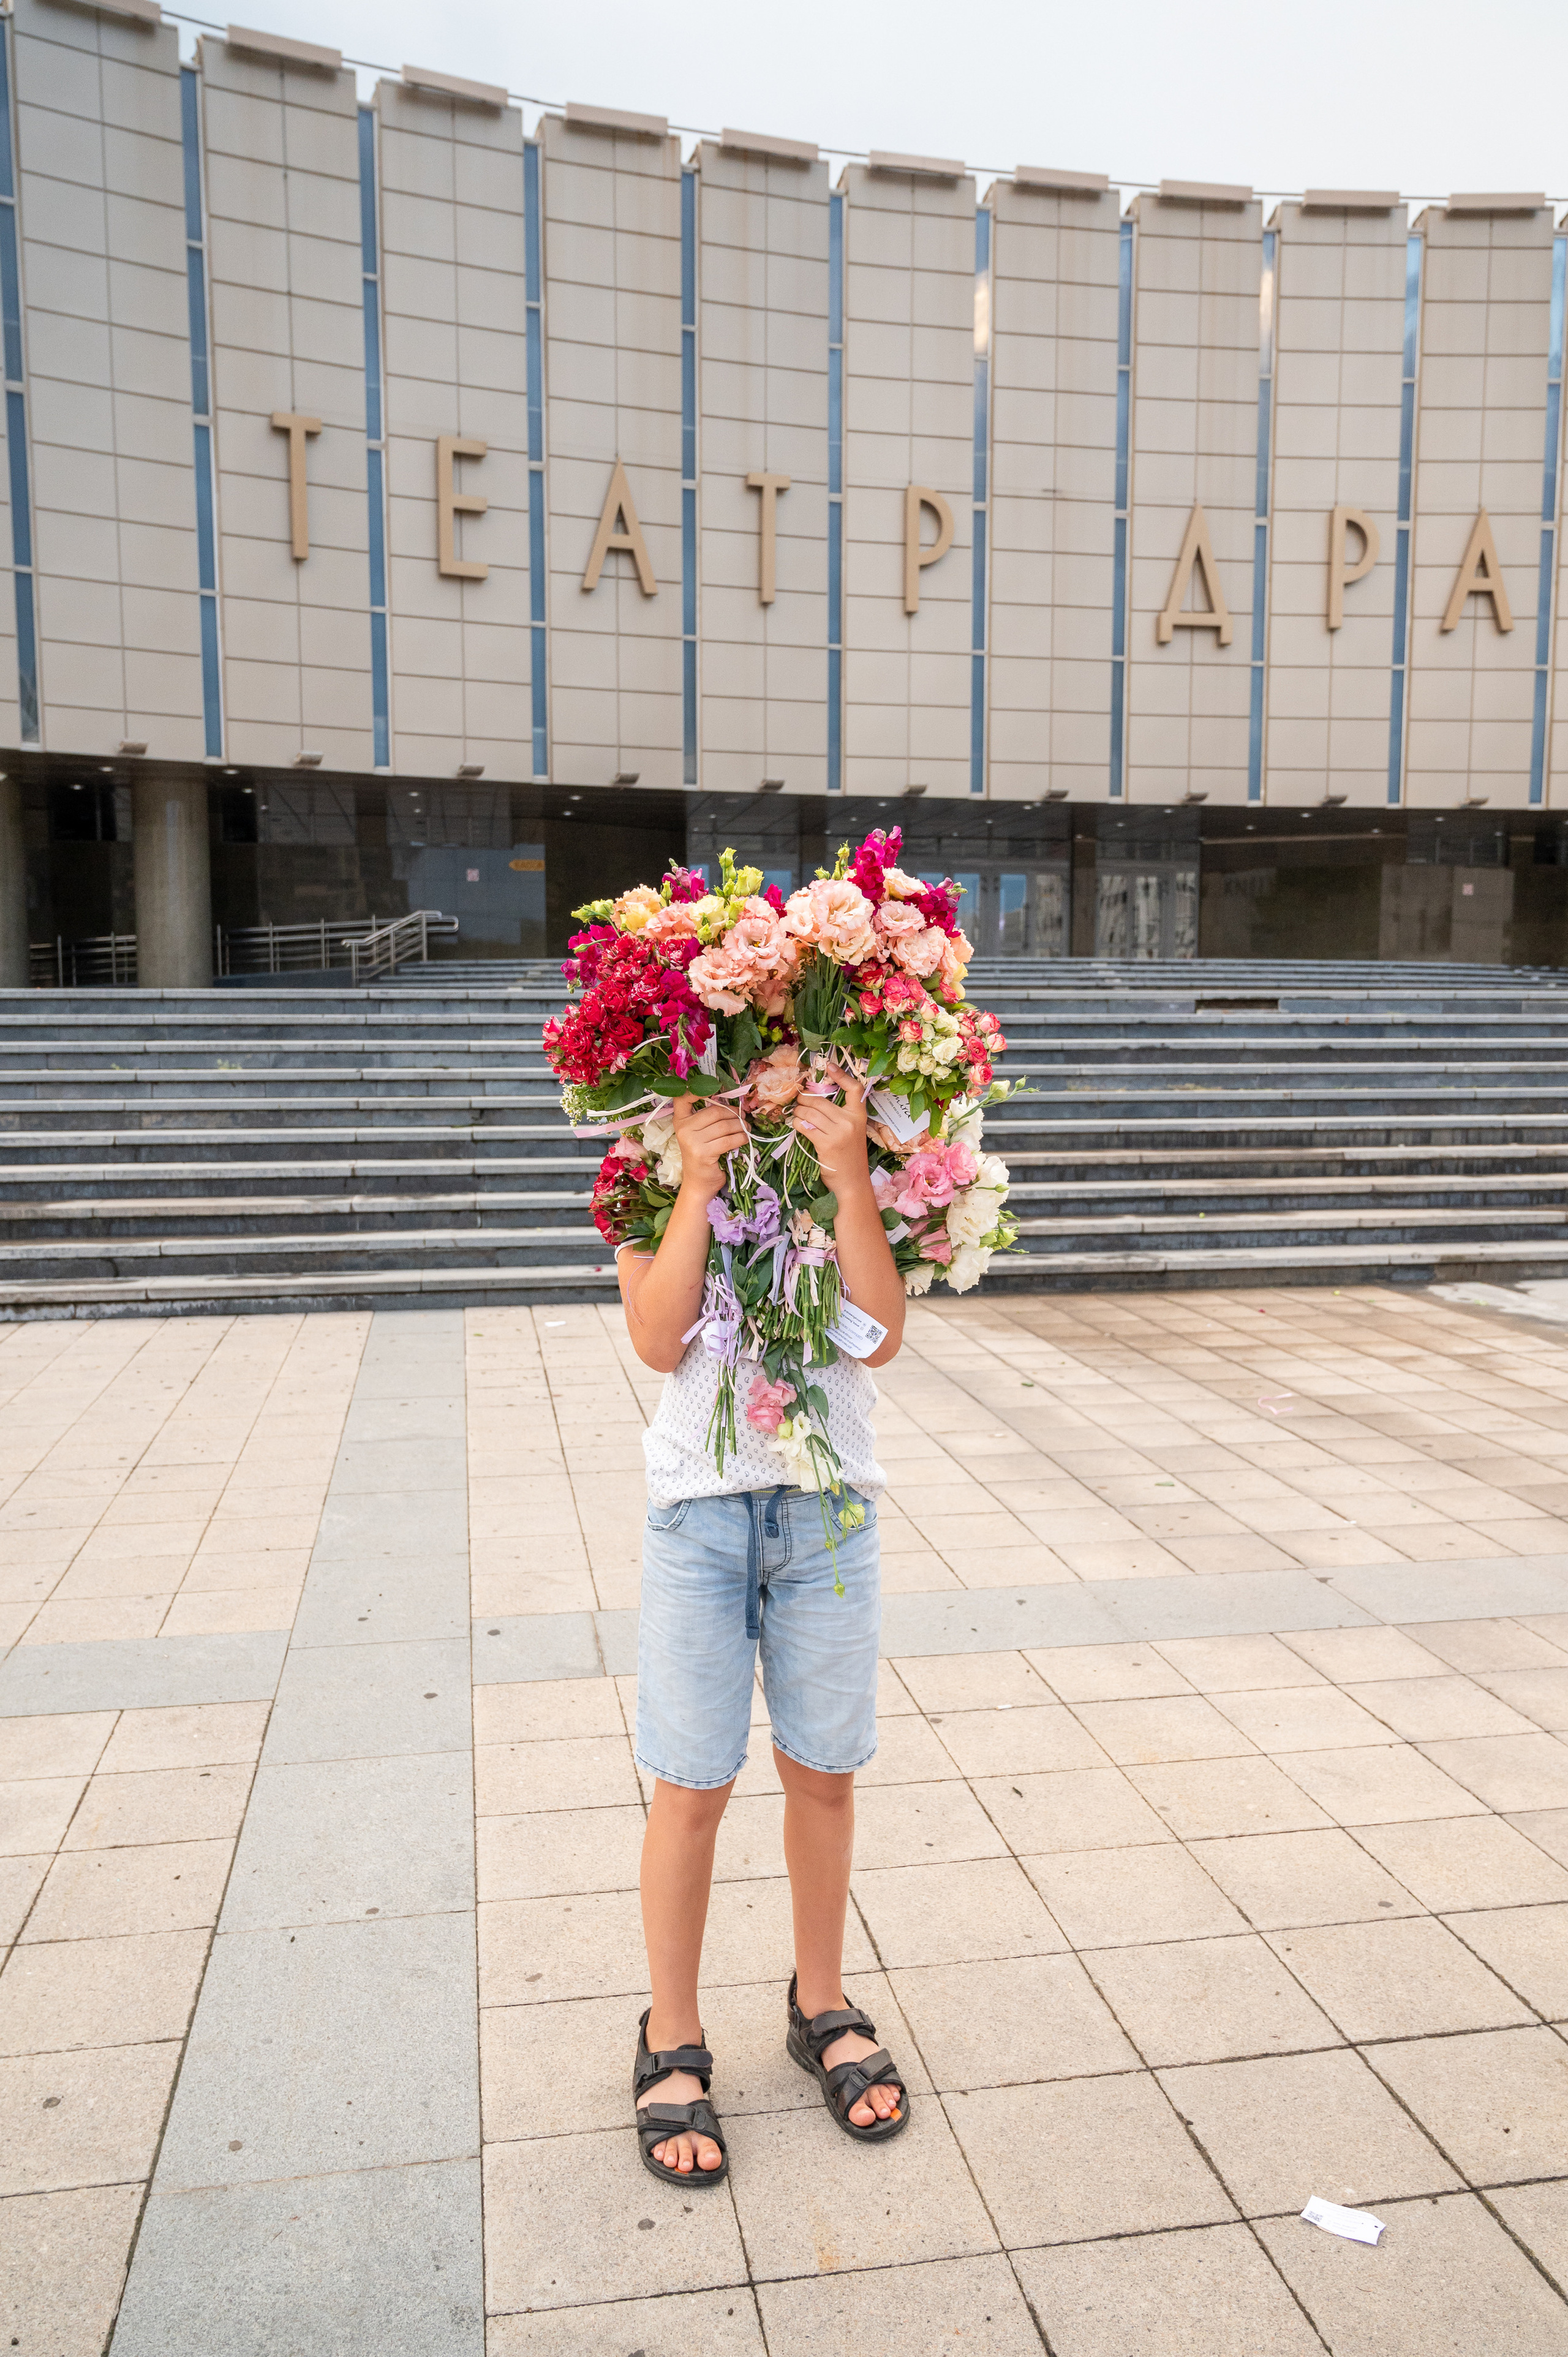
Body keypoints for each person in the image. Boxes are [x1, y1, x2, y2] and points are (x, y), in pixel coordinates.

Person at [616, 1077, 909, 2185]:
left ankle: (820, 2002)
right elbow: (656, 1338)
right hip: (700, 1508)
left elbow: (875, 1339)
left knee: (824, 1772)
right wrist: (696, 1179)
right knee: (691, 1782)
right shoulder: (654, 1149)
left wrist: (845, 1177)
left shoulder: (856, 1143)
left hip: (829, 1510)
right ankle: (672, 2037)